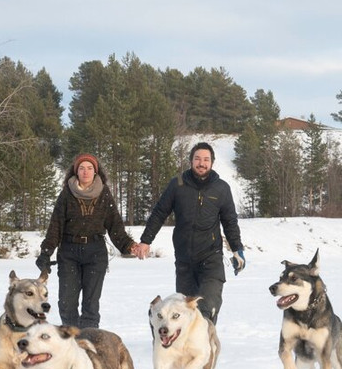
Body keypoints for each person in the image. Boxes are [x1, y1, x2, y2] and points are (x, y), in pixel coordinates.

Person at [132, 141, 244, 322]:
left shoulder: (221, 188)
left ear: (212, 162)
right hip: (185, 260)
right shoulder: (177, 184)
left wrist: (237, 249)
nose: (202, 163)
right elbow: (160, 213)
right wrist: (146, 240)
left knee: (207, 307)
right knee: (186, 312)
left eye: (206, 159)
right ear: (191, 161)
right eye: (197, 159)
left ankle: (206, 338)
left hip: (211, 257)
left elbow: (229, 221)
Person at [36, 153, 136, 329]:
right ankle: (71, 338)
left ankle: (89, 339)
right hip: (69, 252)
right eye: (82, 168)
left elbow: (115, 225)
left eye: (90, 168)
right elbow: (55, 226)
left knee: (91, 304)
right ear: (76, 171)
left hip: (95, 252)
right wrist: (46, 253)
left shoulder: (104, 193)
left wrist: (128, 245)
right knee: (67, 302)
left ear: (95, 171)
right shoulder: (67, 193)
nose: (86, 172)